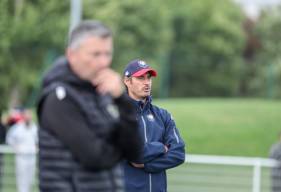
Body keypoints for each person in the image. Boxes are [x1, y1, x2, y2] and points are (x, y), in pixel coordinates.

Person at [36, 20, 141, 192]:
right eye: (95, 54)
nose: (104, 62)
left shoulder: (102, 93)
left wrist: (122, 99)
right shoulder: (59, 97)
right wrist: (123, 149)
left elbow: (135, 151)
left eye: (108, 54)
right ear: (71, 55)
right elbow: (95, 157)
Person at [122, 59, 186, 192]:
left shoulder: (163, 115)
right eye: (140, 78)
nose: (146, 82)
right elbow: (134, 155)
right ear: (127, 81)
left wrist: (147, 165)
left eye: (149, 78)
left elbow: (178, 154)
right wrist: (161, 147)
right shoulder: (118, 114)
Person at [6, 109, 38, 192]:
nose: (28, 117)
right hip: (21, 157)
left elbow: (38, 140)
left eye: (29, 115)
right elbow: (9, 139)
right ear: (24, 116)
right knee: (22, 178)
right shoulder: (17, 128)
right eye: (26, 115)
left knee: (31, 178)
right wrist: (15, 147)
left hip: (32, 156)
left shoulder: (34, 127)